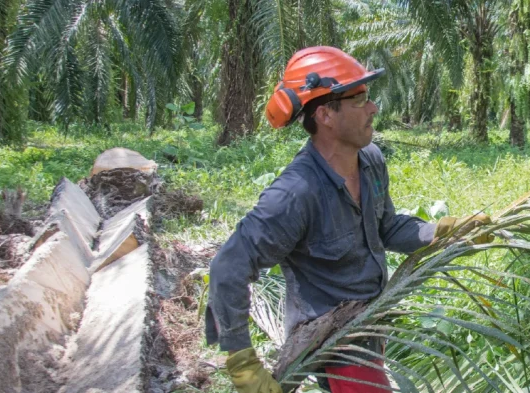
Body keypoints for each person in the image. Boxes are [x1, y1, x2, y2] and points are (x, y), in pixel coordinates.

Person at [205, 46, 491, 393]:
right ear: (326, 115)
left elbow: (386, 227)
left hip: (370, 326)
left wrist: (443, 230)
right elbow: (227, 267)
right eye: (360, 100)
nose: (373, 108)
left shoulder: (369, 160)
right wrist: (242, 362)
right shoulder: (296, 194)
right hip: (333, 344)